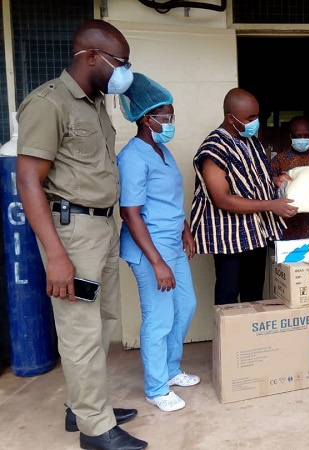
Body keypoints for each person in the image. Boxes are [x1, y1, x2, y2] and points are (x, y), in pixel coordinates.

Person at [16, 20, 147, 450]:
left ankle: (83, 406)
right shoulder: (48, 103)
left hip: (103, 226)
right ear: (91, 57)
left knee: (103, 320)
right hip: (72, 231)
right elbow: (29, 181)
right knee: (80, 329)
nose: (124, 71)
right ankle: (95, 429)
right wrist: (55, 255)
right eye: (120, 62)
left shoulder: (94, 104)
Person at [117, 74, 200, 413]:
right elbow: (130, 213)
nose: (170, 122)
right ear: (146, 118)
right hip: (149, 247)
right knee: (159, 318)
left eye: (171, 115)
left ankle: (170, 369)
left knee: (186, 306)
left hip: (172, 242)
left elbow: (168, 198)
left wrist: (185, 228)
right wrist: (157, 262)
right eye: (165, 116)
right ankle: (155, 387)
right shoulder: (133, 156)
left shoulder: (161, 150)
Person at [190, 88, 298, 305]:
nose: (256, 122)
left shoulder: (251, 142)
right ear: (230, 118)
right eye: (251, 118)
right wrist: (271, 205)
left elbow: (254, 179)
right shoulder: (214, 149)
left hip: (254, 233)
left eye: (257, 116)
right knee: (228, 296)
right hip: (229, 237)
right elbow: (222, 199)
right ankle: (230, 339)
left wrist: (275, 181)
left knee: (254, 294)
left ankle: (252, 338)